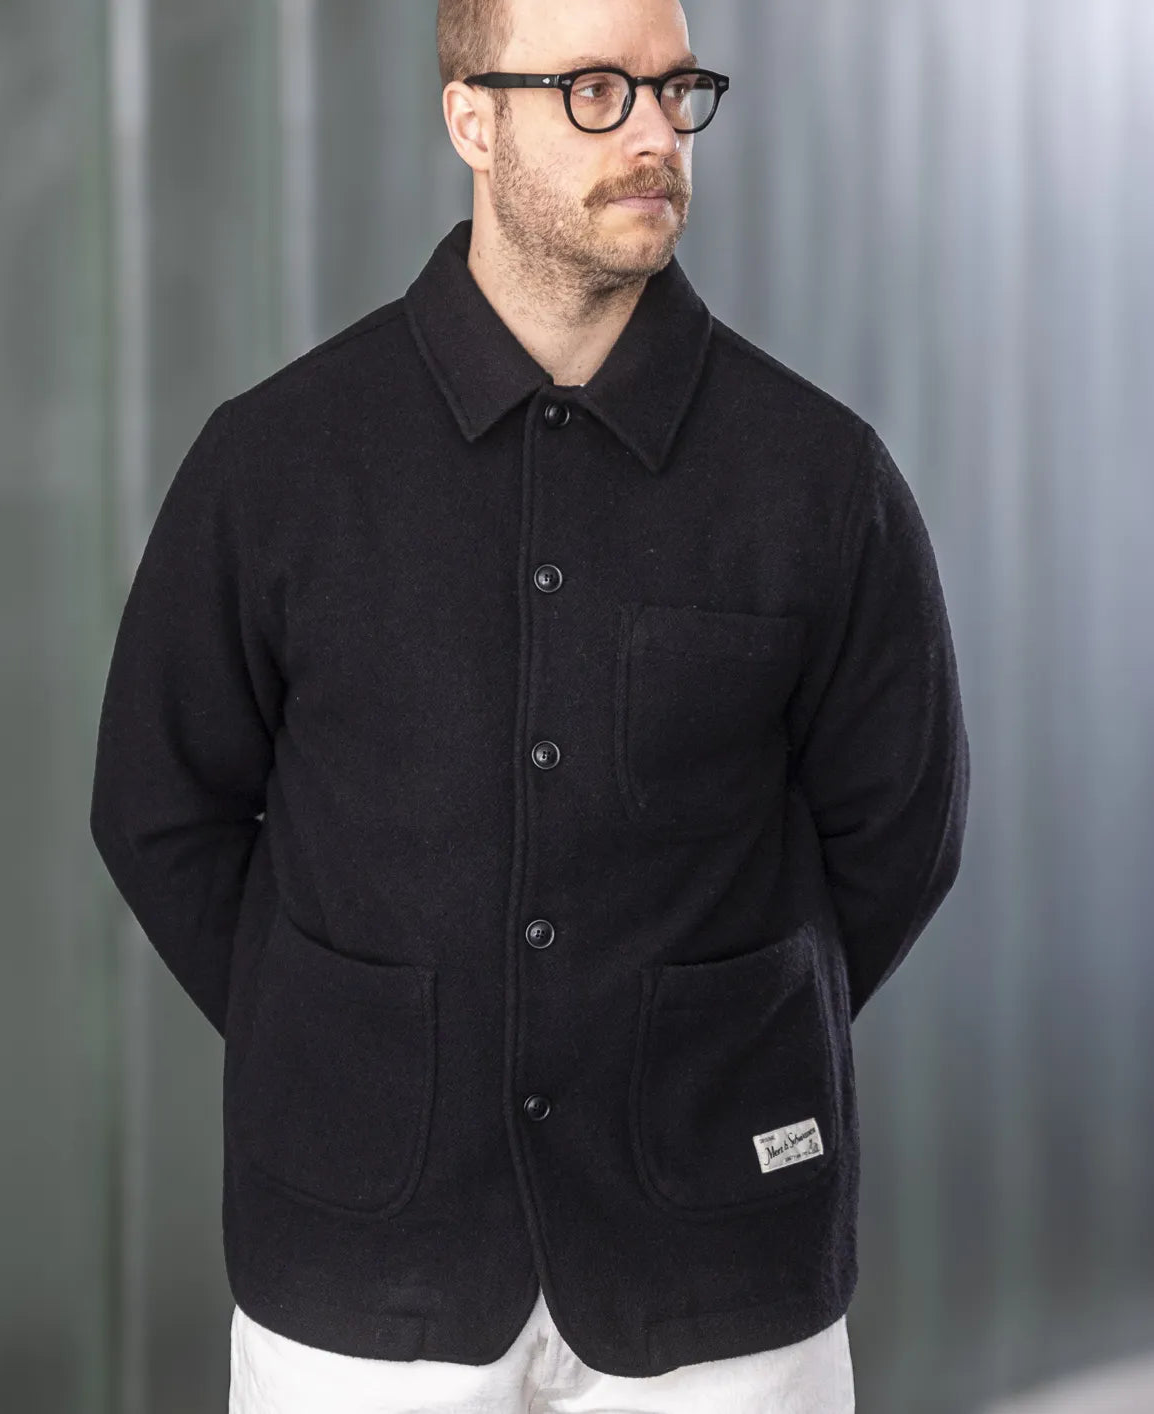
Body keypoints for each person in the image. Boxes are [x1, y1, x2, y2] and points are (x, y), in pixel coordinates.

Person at [88, 0, 970, 1408]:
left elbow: (898, 833)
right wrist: (334, 1031)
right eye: (596, 90)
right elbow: (160, 805)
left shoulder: (820, 478)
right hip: (358, 1264)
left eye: (675, 90)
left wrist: (711, 1031)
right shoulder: (277, 462)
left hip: (721, 1264)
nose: (654, 133)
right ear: (472, 119)